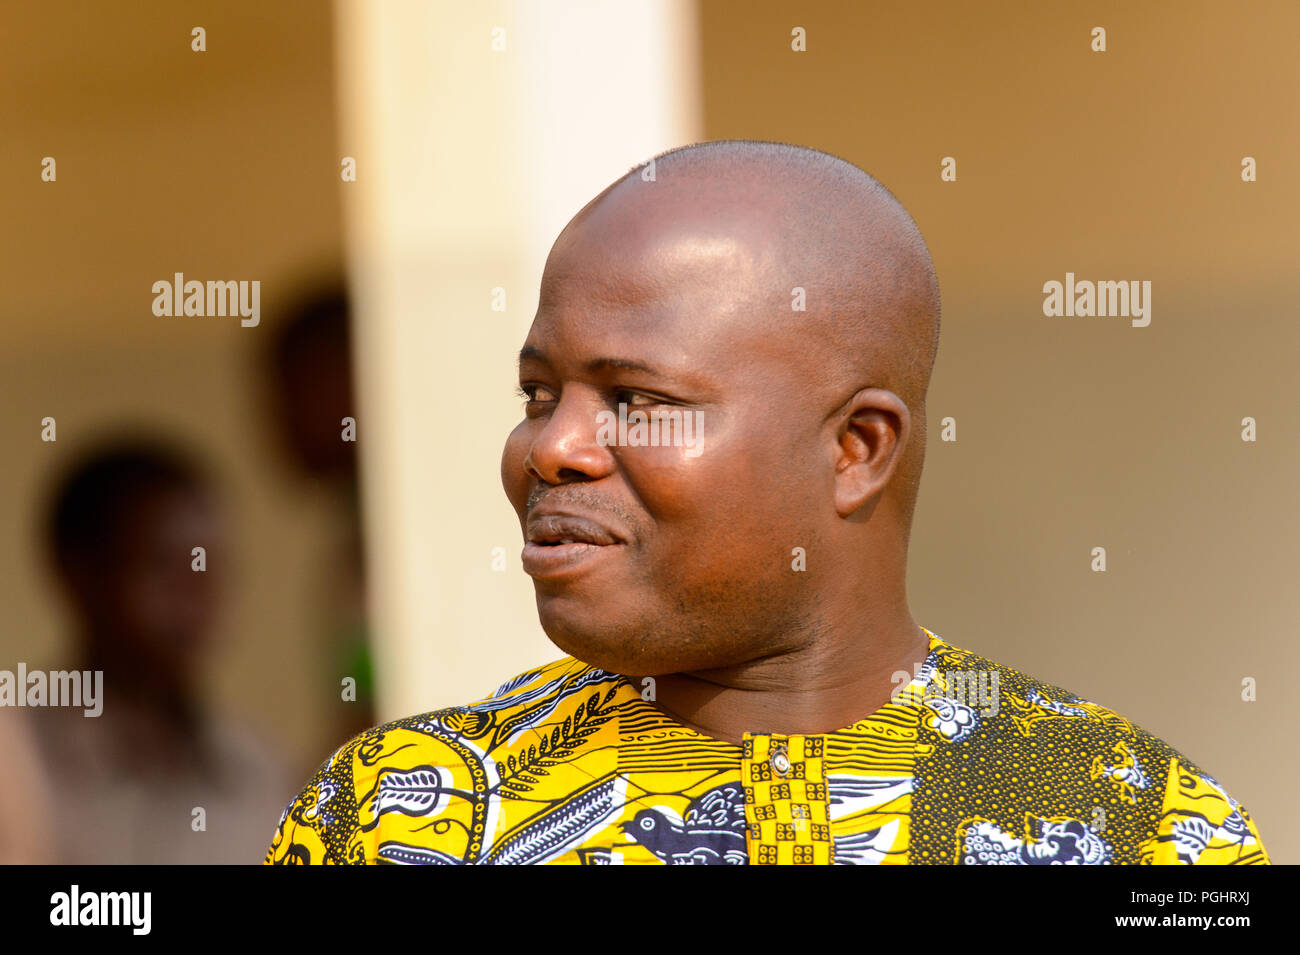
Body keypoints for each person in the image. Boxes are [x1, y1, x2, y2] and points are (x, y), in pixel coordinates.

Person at [265, 140, 1268, 865]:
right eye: (538, 394)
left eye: (636, 400)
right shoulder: (404, 817)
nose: (551, 447)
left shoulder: (1137, 827)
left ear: (855, 449)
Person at [10, 439, 294, 863]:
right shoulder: (18, 761)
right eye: (162, 566)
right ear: (76, 572)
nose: (195, 596)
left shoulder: (261, 774)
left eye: (210, 568)